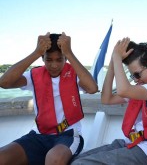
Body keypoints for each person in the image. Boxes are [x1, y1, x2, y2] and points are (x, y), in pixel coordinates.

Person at [71, 38, 147, 164]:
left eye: (137, 75)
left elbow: (123, 90)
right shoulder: (142, 89)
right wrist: (113, 63)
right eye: (132, 76)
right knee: (77, 160)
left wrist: (117, 58)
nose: (135, 80)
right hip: (135, 143)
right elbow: (106, 98)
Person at [0, 32, 98, 165]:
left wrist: (69, 52)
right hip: (39, 135)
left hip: (68, 135)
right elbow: (4, 82)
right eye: (49, 60)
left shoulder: (75, 74)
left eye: (59, 59)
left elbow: (92, 88)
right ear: (42, 58)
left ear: (65, 58)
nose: (54, 65)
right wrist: (36, 52)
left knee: (54, 159)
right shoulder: (33, 76)